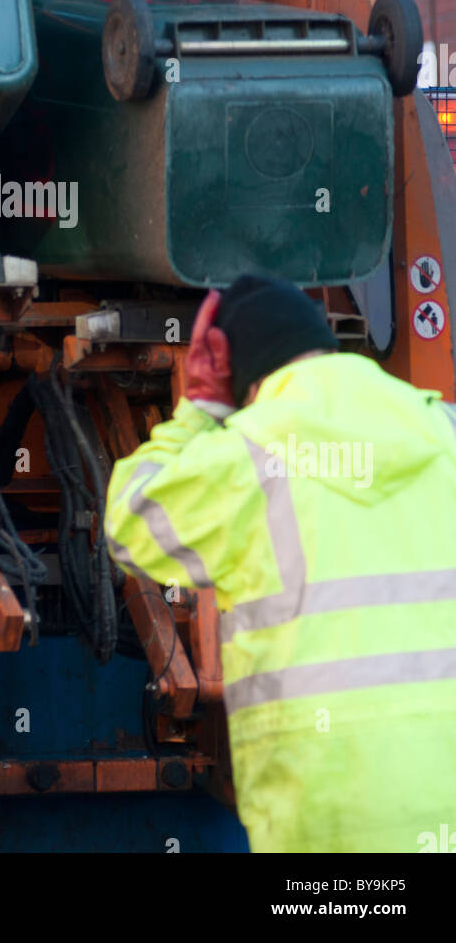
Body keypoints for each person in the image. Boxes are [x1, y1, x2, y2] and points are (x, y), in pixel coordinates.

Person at [104, 273, 456, 853]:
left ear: (231, 367)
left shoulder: (250, 454)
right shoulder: (441, 428)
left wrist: (197, 410)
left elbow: (133, 521)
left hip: (331, 825)